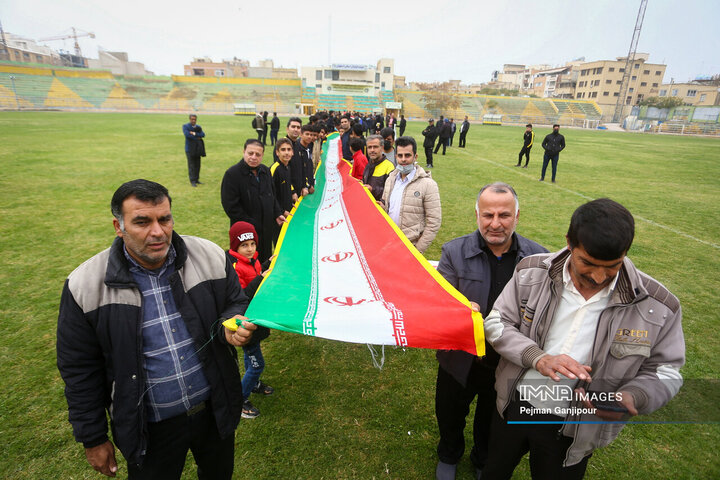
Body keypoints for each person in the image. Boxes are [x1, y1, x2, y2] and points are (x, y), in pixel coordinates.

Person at [57, 179, 257, 479]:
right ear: (118, 226)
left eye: (165, 219)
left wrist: (231, 324)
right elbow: (79, 369)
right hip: (149, 427)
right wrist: (93, 437)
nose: (158, 231)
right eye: (142, 222)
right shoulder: (84, 286)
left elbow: (235, 301)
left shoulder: (210, 256)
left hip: (214, 410)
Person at [481, 198, 685, 479]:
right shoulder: (531, 271)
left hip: (577, 426)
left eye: (612, 266)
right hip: (514, 403)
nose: (599, 277)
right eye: (587, 263)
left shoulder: (659, 306)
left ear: (626, 252)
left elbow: (667, 372)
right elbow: (496, 322)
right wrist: (538, 358)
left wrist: (633, 396)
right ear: (569, 242)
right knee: (494, 471)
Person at [434, 182, 547, 480]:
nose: (495, 223)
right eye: (488, 215)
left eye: (504, 215)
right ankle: (449, 453)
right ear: (477, 215)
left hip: (507, 362)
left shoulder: (538, 259)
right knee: (450, 412)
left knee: (492, 416)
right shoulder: (453, 252)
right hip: (459, 358)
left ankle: (482, 458)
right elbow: (438, 304)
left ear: (518, 216)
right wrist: (459, 309)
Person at [227, 221, 274, 420]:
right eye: (244, 246)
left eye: (252, 244)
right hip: (246, 321)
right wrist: (260, 278)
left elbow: (256, 272)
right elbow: (242, 294)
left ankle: (253, 384)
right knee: (257, 365)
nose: (250, 249)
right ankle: (239, 400)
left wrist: (266, 264)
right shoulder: (236, 266)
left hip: (256, 320)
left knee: (251, 356)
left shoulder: (252, 261)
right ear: (235, 247)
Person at [221, 139, 286, 263]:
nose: (253, 157)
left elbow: (272, 194)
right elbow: (230, 206)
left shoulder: (265, 171)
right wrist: (250, 225)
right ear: (244, 152)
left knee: (265, 261)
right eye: (250, 153)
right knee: (246, 266)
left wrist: (277, 213)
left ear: (262, 155)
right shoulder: (232, 174)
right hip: (246, 234)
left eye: (258, 154)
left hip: (266, 229)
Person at [380, 136, 441, 254]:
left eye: (407, 155)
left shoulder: (428, 184)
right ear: (396, 156)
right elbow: (388, 208)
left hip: (410, 247)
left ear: (415, 156)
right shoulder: (390, 179)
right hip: (389, 243)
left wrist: (417, 250)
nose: (403, 159)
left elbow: (434, 222)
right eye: (400, 155)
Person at [362, 134, 395, 202]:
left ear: (382, 148)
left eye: (375, 147)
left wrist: (372, 190)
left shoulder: (389, 167)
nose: (372, 150)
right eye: (369, 147)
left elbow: (391, 193)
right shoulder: (369, 164)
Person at [270, 138, 296, 217]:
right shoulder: (275, 169)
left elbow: (286, 188)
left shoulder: (287, 167)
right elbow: (270, 194)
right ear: (277, 152)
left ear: (292, 152)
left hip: (287, 210)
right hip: (278, 214)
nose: (286, 153)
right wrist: (281, 211)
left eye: (289, 149)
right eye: (283, 150)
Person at [182, 114, 206, 187]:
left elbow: (203, 134)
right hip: (189, 149)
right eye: (192, 119)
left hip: (197, 149)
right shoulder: (185, 126)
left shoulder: (198, 127)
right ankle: (192, 181)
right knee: (191, 165)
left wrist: (194, 133)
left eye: (195, 119)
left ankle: (196, 179)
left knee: (197, 165)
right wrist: (198, 137)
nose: (193, 121)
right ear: (189, 119)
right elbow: (188, 135)